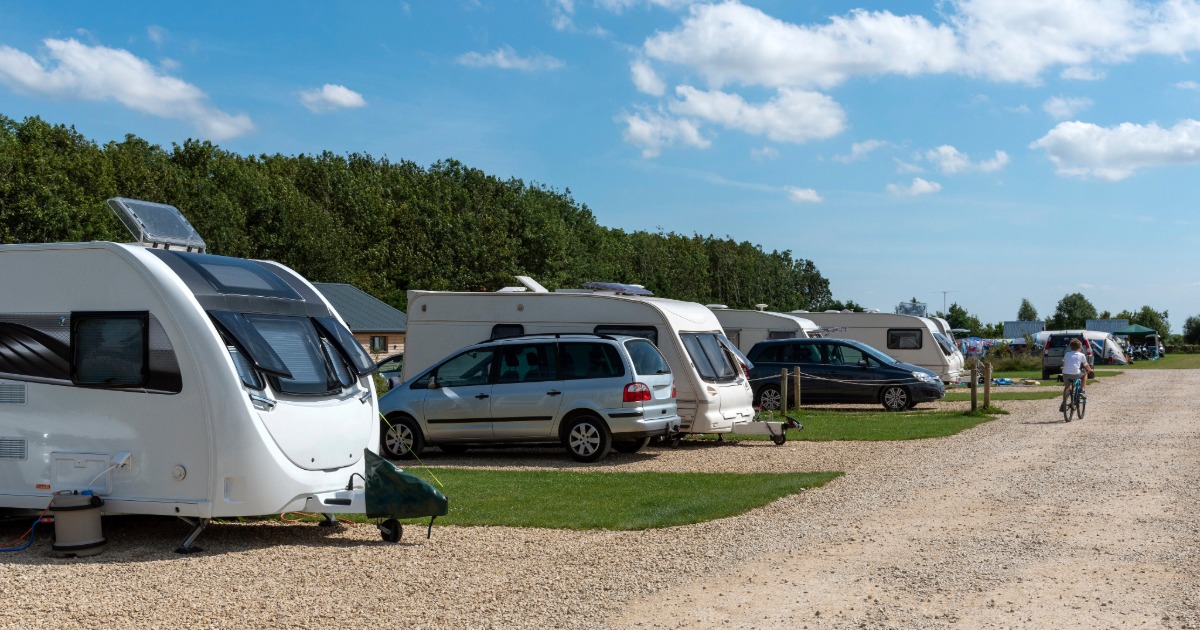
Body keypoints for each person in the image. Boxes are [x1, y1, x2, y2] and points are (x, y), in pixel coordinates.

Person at [1061, 337, 1094, 409]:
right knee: (1085, 373)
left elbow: (1064, 362)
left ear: (1071, 347)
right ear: (1080, 347)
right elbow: (1086, 365)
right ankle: (1082, 390)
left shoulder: (1067, 354)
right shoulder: (1081, 355)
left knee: (1067, 387)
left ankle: (1064, 403)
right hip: (1076, 374)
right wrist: (1090, 370)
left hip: (1066, 374)